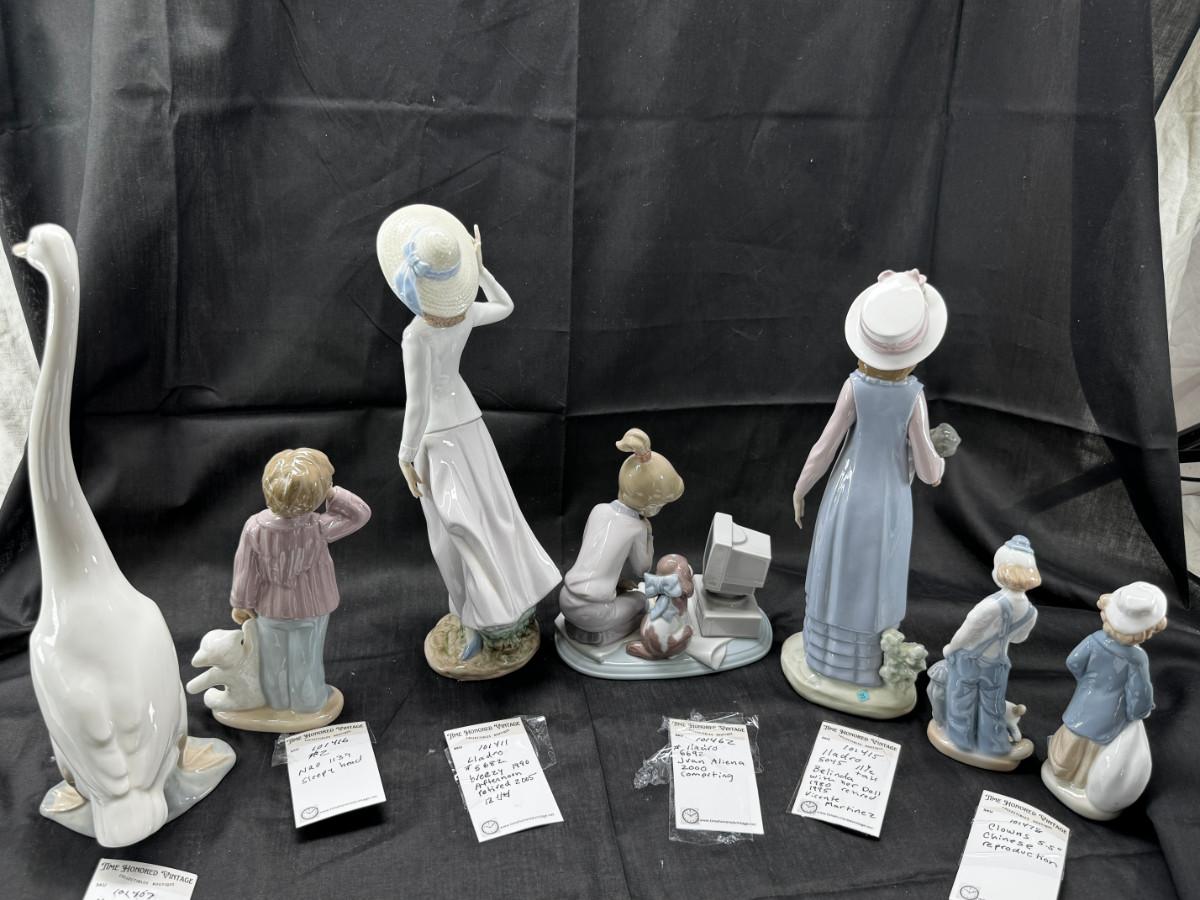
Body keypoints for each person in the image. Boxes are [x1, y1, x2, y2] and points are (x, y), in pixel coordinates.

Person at [379, 204, 560, 665]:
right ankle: (489, 614)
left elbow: (418, 405)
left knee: (453, 535)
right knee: (491, 519)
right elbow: (506, 306)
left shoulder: (417, 334)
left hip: (436, 440)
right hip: (469, 427)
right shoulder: (462, 316)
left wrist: (405, 454)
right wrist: (481, 272)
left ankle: (479, 618)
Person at [792, 269, 958, 686]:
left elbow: (824, 448)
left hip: (845, 496)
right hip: (888, 502)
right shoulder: (913, 396)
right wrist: (939, 457)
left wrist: (800, 489)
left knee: (837, 574)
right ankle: (864, 666)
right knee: (874, 579)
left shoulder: (854, 386)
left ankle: (823, 656)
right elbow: (928, 470)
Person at [230, 448, 370, 713]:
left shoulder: (254, 526)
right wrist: (332, 493)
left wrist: (241, 602)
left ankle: (278, 701)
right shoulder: (318, 527)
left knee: (273, 661)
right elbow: (360, 514)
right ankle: (308, 702)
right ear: (316, 493)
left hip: (269, 608)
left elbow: (245, 569)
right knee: (306, 658)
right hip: (311, 607)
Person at [559, 428, 684, 645]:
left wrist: (615, 582)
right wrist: (648, 532)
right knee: (641, 600)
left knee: (623, 595)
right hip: (595, 612)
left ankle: (584, 627)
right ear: (652, 505)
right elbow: (642, 568)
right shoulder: (638, 527)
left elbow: (594, 557)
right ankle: (601, 636)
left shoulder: (598, 510)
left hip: (565, 598)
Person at [938, 536, 1039, 755]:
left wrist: (950, 648)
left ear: (1001, 569)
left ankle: (960, 741)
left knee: (961, 701)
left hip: (970, 660)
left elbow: (966, 632)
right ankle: (992, 745)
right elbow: (1018, 638)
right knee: (992, 707)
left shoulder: (991, 605)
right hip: (997, 664)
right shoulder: (1031, 612)